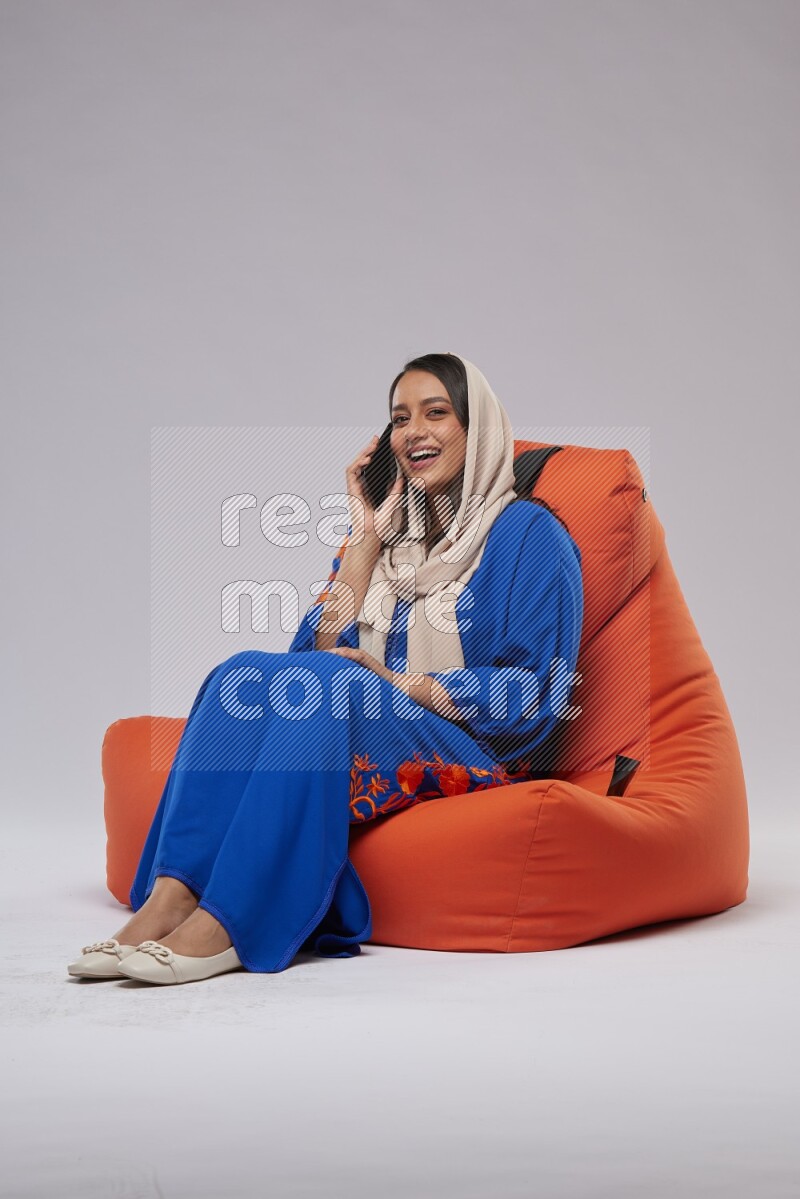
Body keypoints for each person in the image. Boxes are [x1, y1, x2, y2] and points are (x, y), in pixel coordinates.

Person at [67, 352, 584, 985]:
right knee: (240, 673)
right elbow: (301, 666)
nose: (414, 431)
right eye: (400, 419)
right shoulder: (389, 541)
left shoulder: (530, 534)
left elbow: (536, 696)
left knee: (333, 684)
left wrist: (394, 682)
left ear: (478, 431)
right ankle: (171, 897)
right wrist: (364, 542)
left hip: (475, 749)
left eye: (436, 413)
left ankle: (233, 923)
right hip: (365, 717)